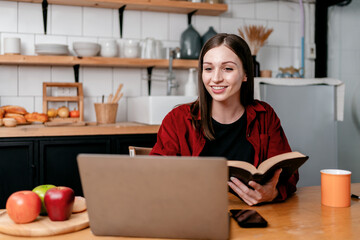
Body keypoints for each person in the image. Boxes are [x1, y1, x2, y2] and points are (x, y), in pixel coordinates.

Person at [150, 33, 298, 206]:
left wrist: (272, 193)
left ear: (245, 74)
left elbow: (289, 174)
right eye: (208, 68)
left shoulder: (265, 115)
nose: (216, 78)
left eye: (228, 68)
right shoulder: (177, 119)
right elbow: (156, 177)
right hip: (194, 214)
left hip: (251, 216)